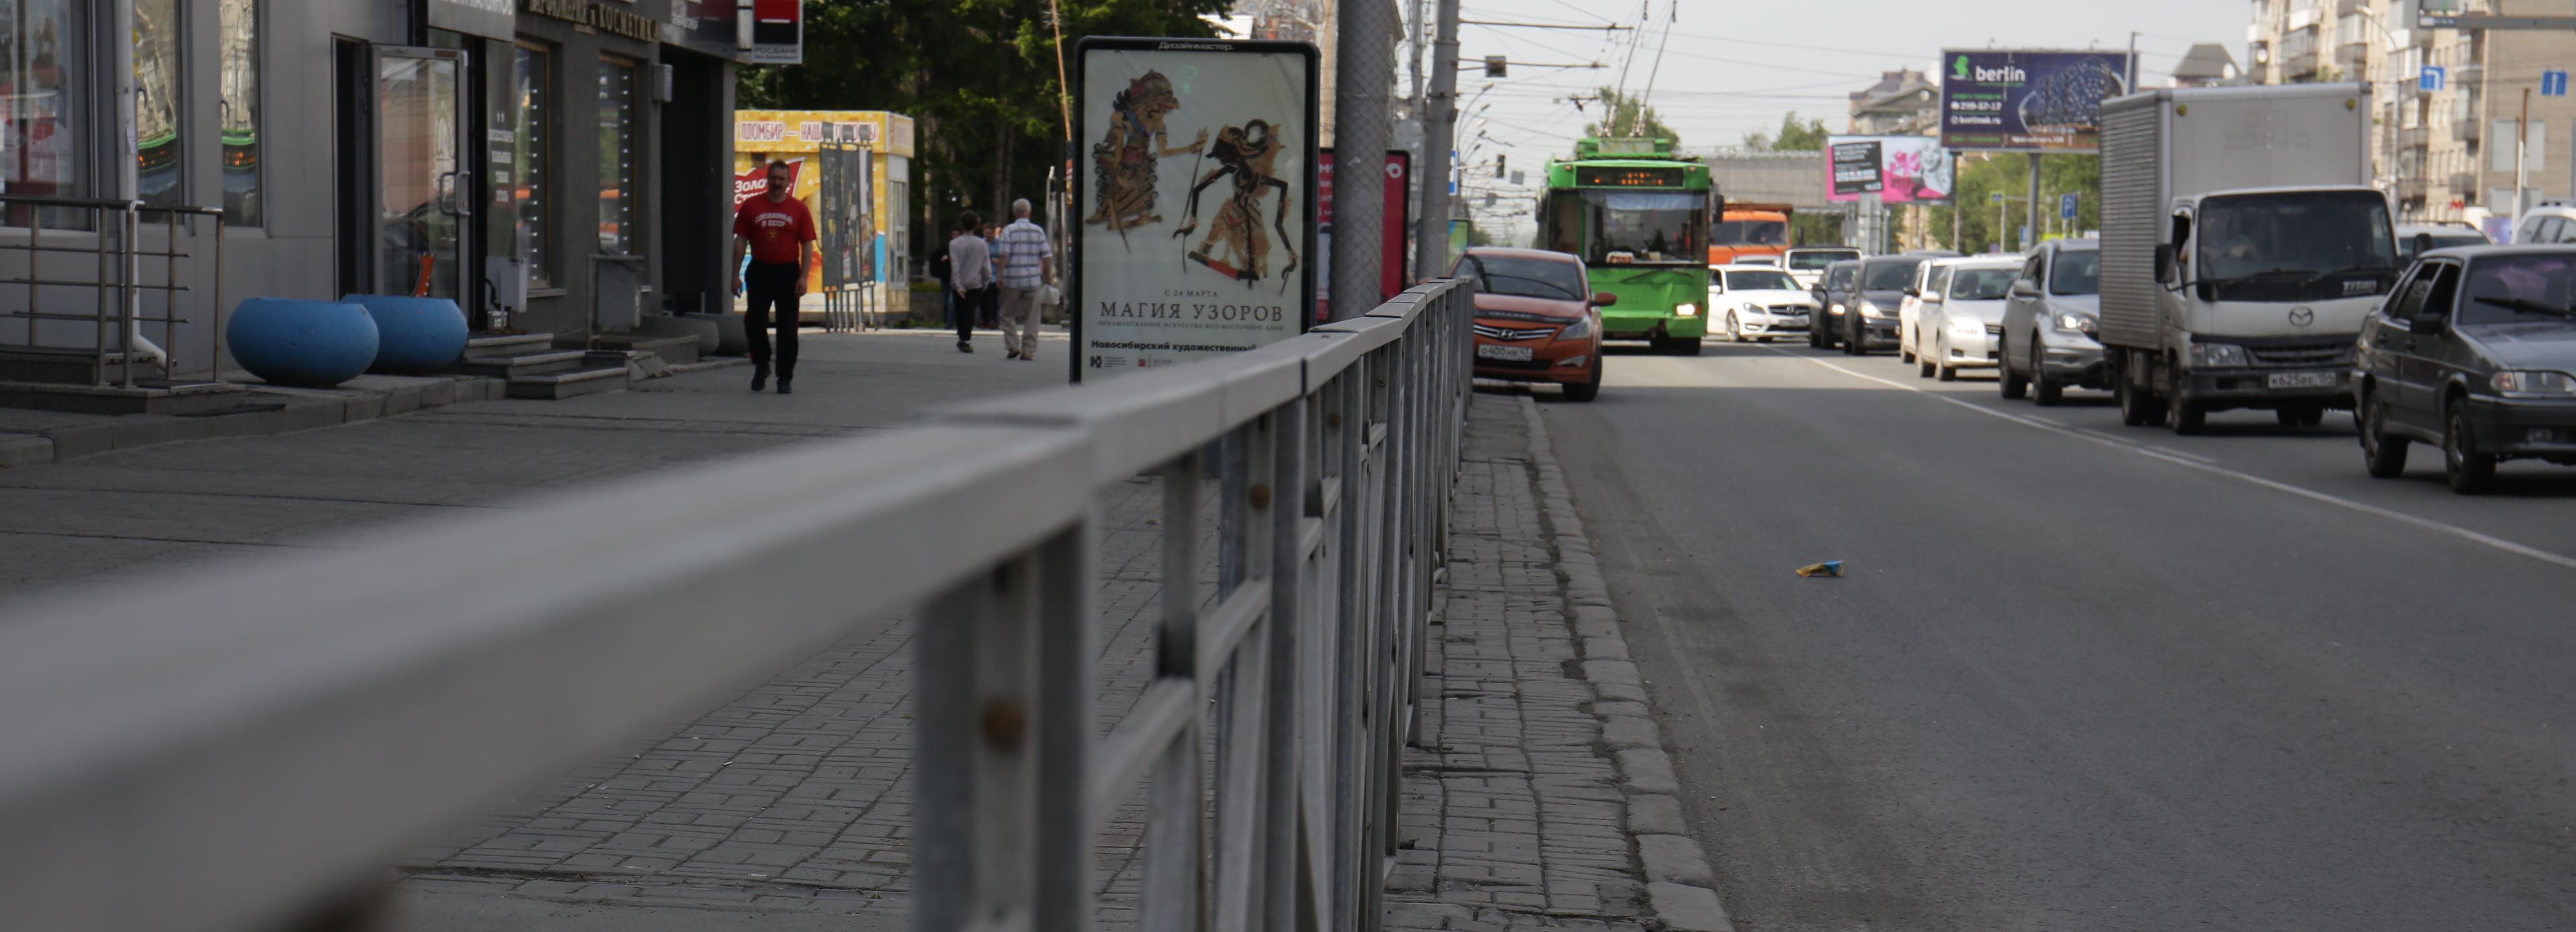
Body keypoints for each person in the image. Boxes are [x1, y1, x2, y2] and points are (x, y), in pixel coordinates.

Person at [732, 160, 816, 394]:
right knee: (754, 321)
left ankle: (784, 377)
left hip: (788, 272)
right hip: (760, 271)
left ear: (789, 183)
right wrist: (735, 275)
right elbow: (740, 242)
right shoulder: (751, 206)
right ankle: (761, 365)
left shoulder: (799, 209)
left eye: (782, 179)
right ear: (767, 180)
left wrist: (803, 278)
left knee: (787, 327)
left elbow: (807, 244)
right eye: (774, 178)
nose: (777, 183)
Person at [994, 198, 1058, 361]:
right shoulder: (1038, 231)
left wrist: (1000, 275)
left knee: (1007, 314)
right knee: (1033, 316)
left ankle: (1012, 345)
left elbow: (1004, 255)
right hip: (1032, 280)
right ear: (1029, 212)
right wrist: (1048, 276)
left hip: (1012, 280)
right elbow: (1047, 256)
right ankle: (1028, 350)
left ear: (1015, 213)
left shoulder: (1009, 230)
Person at [947, 211, 991, 353]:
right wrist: (986, 281)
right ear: (977, 225)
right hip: (975, 283)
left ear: (961, 224)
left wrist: (957, 285)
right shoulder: (982, 244)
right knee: (970, 312)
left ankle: (962, 336)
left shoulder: (954, 244)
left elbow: (955, 265)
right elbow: (986, 265)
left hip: (960, 283)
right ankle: (966, 338)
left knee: (960, 311)